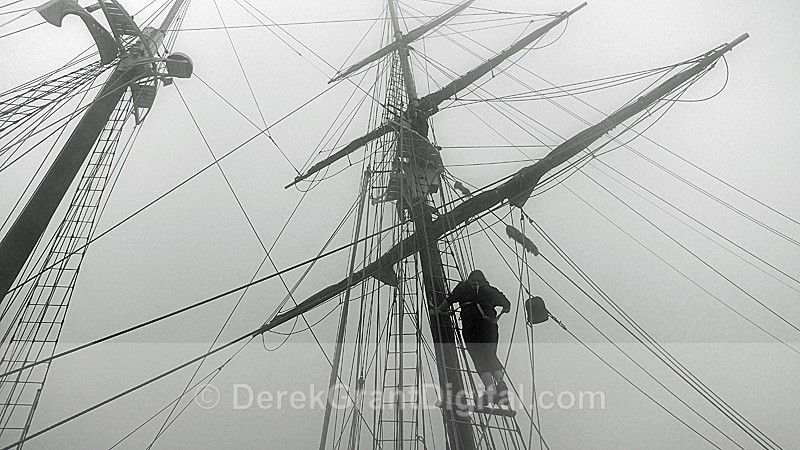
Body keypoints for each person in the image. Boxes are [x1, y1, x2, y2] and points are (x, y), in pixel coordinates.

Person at [435, 270, 511, 405]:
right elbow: (507, 305)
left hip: (471, 326)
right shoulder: (491, 290)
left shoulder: (463, 287)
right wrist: (499, 311)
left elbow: (448, 301)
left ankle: (491, 389)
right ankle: (501, 382)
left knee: (478, 356)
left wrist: (437, 310)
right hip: (490, 325)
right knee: (491, 356)